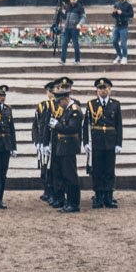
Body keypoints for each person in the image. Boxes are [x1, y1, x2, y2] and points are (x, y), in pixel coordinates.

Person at [43, 84, 84, 213]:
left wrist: (57, 126)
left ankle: (74, 203)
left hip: (69, 146)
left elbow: (72, 128)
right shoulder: (67, 109)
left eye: (60, 102)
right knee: (64, 175)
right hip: (62, 146)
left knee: (71, 176)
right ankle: (68, 202)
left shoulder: (75, 110)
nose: (59, 105)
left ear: (65, 99)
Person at [83, 76, 123, 208]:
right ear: (97, 91)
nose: (102, 90)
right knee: (97, 169)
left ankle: (108, 195)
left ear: (109, 89)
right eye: (100, 88)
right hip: (97, 141)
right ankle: (98, 195)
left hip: (111, 141)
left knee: (109, 169)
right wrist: (85, 142)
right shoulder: (91, 104)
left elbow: (118, 125)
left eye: (105, 88)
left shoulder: (115, 104)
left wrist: (118, 143)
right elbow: (86, 125)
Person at [32, 80, 57, 202]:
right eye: (49, 91)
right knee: (44, 166)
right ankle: (46, 190)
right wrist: (37, 140)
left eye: (52, 91)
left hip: (52, 140)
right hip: (43, 140)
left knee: (52, 168)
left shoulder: (57, 105)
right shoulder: (42, 105)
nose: (51, 94)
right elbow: (36, 125)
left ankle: (53, 191)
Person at [59, 0, 86, 65]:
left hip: (74, 29)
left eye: (74, 0)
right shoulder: (68, 6)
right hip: (67, 29)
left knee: (75, 44)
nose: (72, 1)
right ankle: (63, 60)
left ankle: (77, 60)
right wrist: (61, 12)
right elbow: (65, 17)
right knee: (64, 44)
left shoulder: (80, 7)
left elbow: (83, 17)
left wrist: (79, 24)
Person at [111, 0, 134, 64]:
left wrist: (122, 13)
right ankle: (119, 55)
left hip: (124, 26)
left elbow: (131, 15)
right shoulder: (116, 4)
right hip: (117, 25)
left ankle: (124, 57)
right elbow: (113, 15)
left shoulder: (128, 5)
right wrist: (114, 13)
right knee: (114, 41)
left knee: (123, 43)